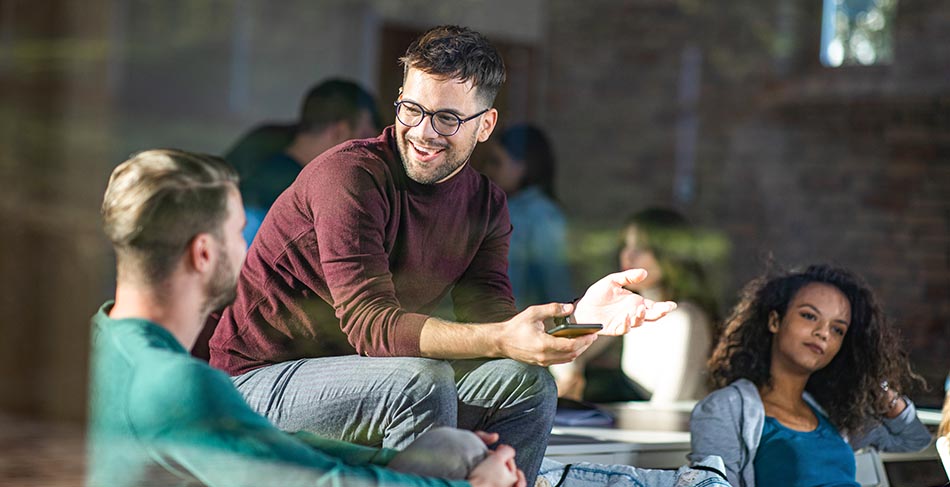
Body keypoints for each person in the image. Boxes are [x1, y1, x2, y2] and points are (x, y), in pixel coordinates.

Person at [205, 25, 675, 485]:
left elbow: (494, 323)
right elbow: (372, 326)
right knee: (419, 382)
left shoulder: (486, 204)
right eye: (412, 109)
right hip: (257, 384)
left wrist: (576, 318)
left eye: (447, 118)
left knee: (525, 383)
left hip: (373, 378)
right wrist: (502, 338)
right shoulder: (349, 176)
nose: (423, 132)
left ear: (485, 125)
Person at [88, 148, 525, 487]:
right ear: (203, 253)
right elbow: (321, 483)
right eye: (239, 231)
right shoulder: (175, 384)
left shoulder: (103, 343)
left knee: (454, 447)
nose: (248, 247)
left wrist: (430, 456)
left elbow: (284, 449)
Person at [689, 264, 932, 487]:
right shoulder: (725, 409)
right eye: (809, 316)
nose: (823, 333)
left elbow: (915, 440)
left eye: (837, 329)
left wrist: (885, 398)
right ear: (775, 321)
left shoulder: (833, 414)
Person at [551, 208, 719, 403]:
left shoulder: (685, 317)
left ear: (668, 255)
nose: (628, 255)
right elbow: (562, 348)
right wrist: (571, 376)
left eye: (641, 248)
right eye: (625, 245)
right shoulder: (629, 307)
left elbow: (669, 405)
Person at [233, 78, 381, 242]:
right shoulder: (296, 200)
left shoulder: (259, 172)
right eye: (365, 138)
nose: (368, 153)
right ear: (341, 132)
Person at [479, 124, 574, 309]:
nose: (489, 170)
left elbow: (554, 283)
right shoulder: (501, 208)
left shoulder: (542, 214)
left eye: (497, 162)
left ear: (522, 165)